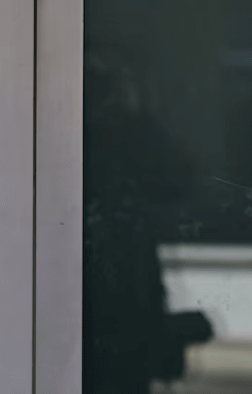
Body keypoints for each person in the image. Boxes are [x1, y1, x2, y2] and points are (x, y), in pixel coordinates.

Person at [83, 52, 213, 394]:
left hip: (125, 287)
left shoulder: (122, 135)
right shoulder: (93, 137)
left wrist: (131, 119)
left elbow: (178, 178)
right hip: (102, 287)